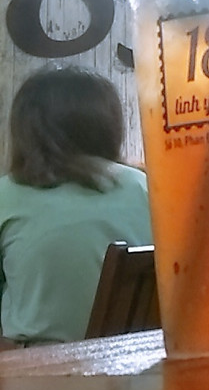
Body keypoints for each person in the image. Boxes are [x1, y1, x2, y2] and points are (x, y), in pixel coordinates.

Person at [0, 66, 152, 346]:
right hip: (137, 361)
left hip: (39, 367)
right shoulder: (144, 188)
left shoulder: (7, 196)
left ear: (25, 129)